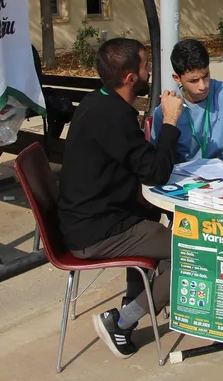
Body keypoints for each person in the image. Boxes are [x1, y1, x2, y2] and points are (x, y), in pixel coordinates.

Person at [57, 38, 185, 359]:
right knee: (191, 253)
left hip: (86, 218)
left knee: (154, 218)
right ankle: (122, 322)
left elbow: (133, 164)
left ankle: (138, 295)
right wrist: (170, 121)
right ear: (130, 79)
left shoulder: (97, 102)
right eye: (145, 66)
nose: (149, 72)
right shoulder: (114, 117)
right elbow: (156, 172)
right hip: (96, 232)